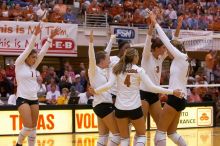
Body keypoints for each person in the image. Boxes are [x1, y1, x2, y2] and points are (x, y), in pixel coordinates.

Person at [91, 48, 182, 146]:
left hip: (120, 108)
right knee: (142, 136)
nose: (138, 57)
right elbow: (152, 88)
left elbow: (108, 85)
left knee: (124, 139)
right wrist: (172, 91)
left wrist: (96, 91)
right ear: (134, 57)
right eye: (137, 55)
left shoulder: (117, 69)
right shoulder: (139, 70)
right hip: (135, 107)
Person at [15, 24, 60, 146]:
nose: (35, 59)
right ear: (27, 56)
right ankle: (18, 144)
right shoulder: (19, 64)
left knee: (34, 128)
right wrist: (35, 35)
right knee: (28, 126)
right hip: (22, 99)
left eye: (35, 58)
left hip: (34, 99)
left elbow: (43, 53)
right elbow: (29, 48)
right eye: (33, 57)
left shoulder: (33, 67)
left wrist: (50, 38)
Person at [150, 13, 188, 146]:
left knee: (160, 133)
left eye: (170, 50)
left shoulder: (179, 57)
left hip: (175, 97)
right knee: (171, 133)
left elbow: (167, 41)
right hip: (182, 98)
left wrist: (155, 23)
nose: (167, 51)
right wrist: (178, 26)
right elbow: (175, 40)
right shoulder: (183, 57)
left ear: (175, 50)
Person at [88, 31, 120, 146]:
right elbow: (92, 58)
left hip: (100, 105)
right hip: (103, 106)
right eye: (108, 59)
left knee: (103, 136)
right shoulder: (93, 70)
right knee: (117, 135)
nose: (110, 60)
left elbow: (106, 52)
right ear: (101, 61)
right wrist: (91, 43)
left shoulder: (102, 70)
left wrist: (111, 39)